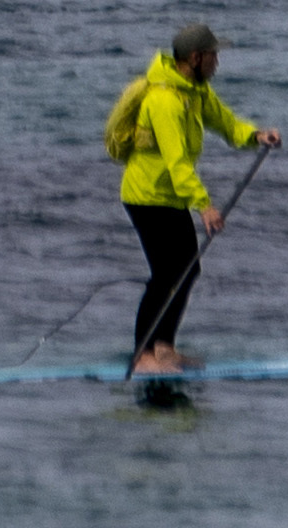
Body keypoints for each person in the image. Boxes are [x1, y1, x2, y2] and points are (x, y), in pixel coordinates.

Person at [105, 24, 278, 374]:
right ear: (195, 58)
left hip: (171, 196)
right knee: (166, 273)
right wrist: (204, 206)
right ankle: (143, 355)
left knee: (186, 270)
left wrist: (255, 135)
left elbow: (225, 122)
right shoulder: (165, 100)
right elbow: (176, 161)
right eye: (214, 56)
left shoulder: (195, 91)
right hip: (147, 196)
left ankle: (164, 348)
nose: (217, 62)